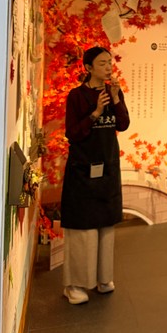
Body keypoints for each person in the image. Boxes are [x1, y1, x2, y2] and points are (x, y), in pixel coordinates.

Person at [61, 46, 130, 305]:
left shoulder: (114, 92)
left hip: (108, 167)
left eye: (110, 62)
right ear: (88, 68)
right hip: (82, 170)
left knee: (106, 225)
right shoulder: (76, 96)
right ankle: (75, 285)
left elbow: (123, 124)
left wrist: (116, 99)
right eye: (102, 63)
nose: (109, 67)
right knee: (83, 228)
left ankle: (103, 278)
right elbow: (73, 133)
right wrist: (96, 113)